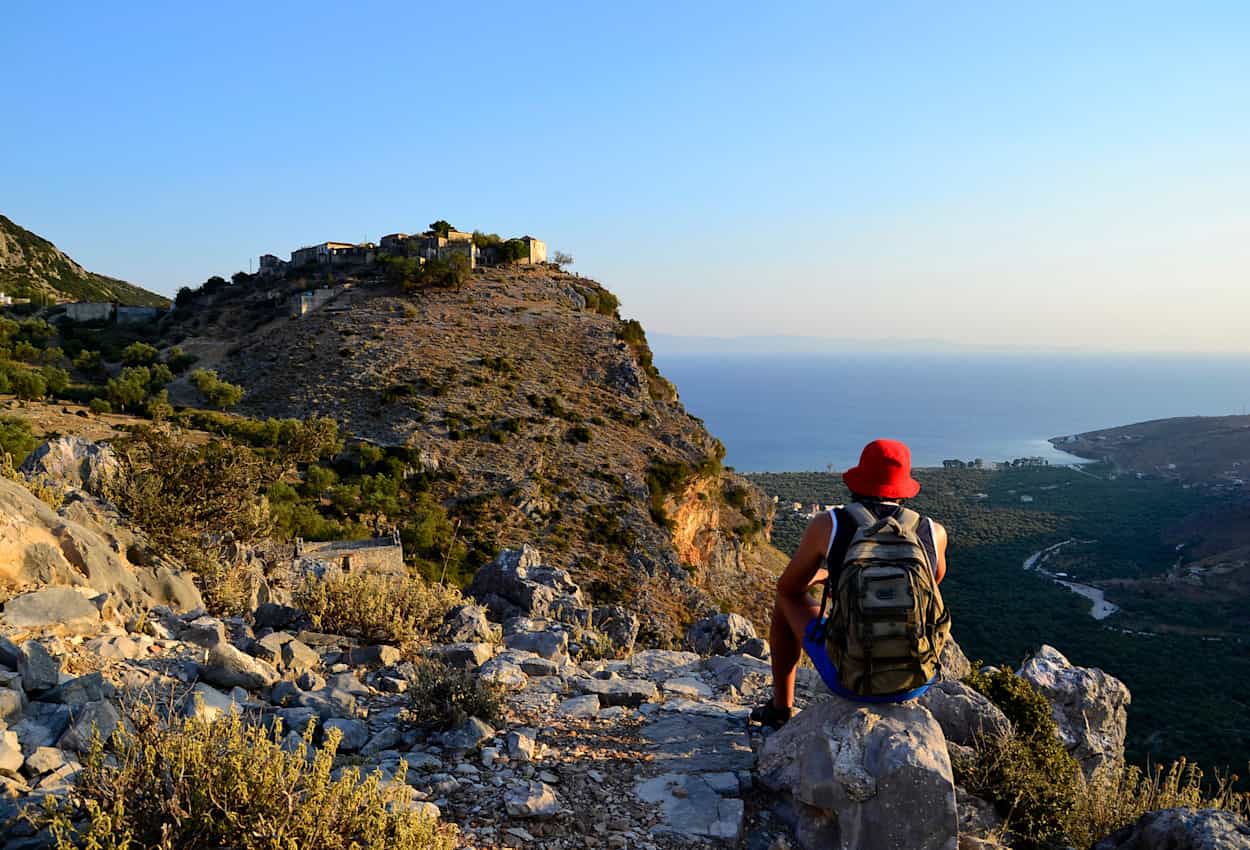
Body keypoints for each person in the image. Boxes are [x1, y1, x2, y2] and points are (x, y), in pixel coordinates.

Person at [750, 438, 948, 728]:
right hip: (917, 678)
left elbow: (788, 588)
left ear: (858, 479)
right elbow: (932, 583)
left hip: (850, 679)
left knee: (785, 599)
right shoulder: (933, 531)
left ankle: (780, 708)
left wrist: (826, 576)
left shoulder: (830, 525)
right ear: (904, 486)